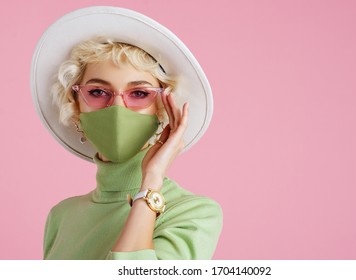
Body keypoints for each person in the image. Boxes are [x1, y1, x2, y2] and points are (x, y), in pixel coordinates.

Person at [31, 7, 222, 260]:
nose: (117, 109)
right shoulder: (62, 216)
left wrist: (151, 180)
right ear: (75, 105)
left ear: (163, 109)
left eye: (139, 94)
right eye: (98, 92)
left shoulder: (194, 213)